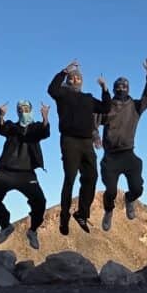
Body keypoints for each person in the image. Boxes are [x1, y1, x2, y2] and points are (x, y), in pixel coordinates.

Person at [47, 60, 111, 235]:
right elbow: (51, 89)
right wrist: (64, 71)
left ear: (82, 81)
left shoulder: (88, 98)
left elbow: (106, 107)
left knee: (92, 176)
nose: (75, 81)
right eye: (72, 78)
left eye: (78, 79)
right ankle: (64, 217)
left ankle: (82, 213)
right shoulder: (63, 94)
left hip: (86, 142)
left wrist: (105, 88)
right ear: (68, 80)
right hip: (69, 141)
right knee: (70, 178)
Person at [94, 57, 147, 232]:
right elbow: (93, 120)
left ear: (128, 89)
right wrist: (95, 136)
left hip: (128, 154)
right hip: (111, 156)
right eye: (119, 87)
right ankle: (109, 211)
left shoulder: (135, 106)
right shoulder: (107, 107)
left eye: (125, 86)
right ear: (114, 89)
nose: (121, 89)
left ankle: (130, 199)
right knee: (111, 191)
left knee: (137, 188)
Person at [0, 100, 51, 249]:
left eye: (26, 108)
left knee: (40, 202)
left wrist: (45, 117)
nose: (23, 111)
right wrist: (0, 116)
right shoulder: (12, 127)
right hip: (6, 171)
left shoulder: (35, 128)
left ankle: (33, 231)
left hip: (26, 174)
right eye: (20, 109)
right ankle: (6, 226)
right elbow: (1, 128)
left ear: (31, 110)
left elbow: (45, 132)